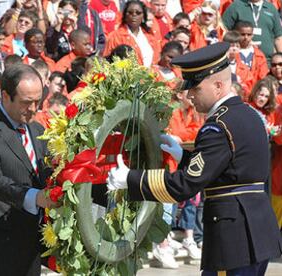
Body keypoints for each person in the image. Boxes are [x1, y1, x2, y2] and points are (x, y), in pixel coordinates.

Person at [107, 42, 282, 275]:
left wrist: (130, 179)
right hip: (255, 231)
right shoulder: (249, 114)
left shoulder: (218, 126)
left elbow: (184, 186)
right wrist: (182, 155)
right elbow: (229, 168)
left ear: (218, 85)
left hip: (232, 237)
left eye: (196, 88)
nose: (189, 95)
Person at [0, 64, 56, 276]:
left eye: (38, 101)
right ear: (6, 96)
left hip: (31, 239)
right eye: (26, 103)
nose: (33, 108)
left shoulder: (37, 129)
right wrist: (35, 197)